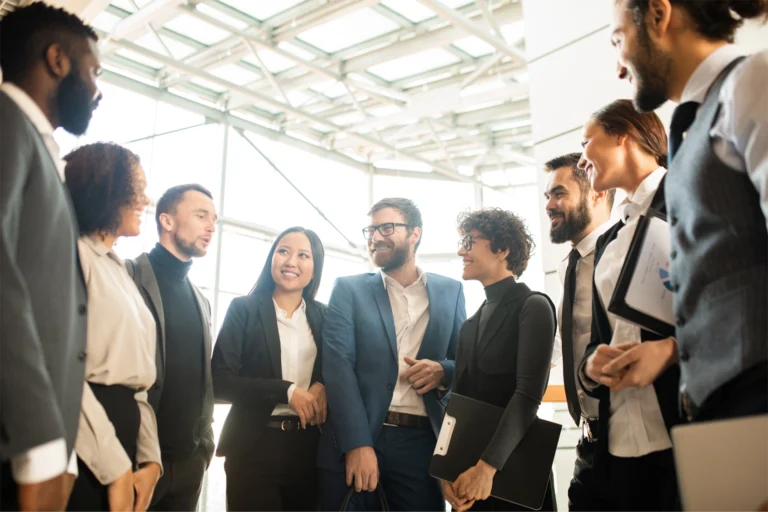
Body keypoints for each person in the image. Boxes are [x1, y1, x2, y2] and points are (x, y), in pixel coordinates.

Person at [599, 0, 768, 423]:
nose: (619, 68)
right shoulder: (694, 124)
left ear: (659, 15)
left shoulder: (752, 82)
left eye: (619, 40)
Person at [0, 3, 100, 510]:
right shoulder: (6, 124)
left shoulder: (35, 144)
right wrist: (39, 436)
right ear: (57, 59)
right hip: (19, 437)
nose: (98, 90)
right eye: (94, 71)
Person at [318, 198, 466, 512]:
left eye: (386, 228)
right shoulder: (348, 289)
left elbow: (463, 362)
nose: (375, 237)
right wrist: (358, 443)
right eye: (370, 230)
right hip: (362, 434)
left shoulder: (451, 291)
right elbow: (338, 367)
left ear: (415, 233)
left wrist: (443, 370)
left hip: (422, 443)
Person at [577, 99, 681, 512]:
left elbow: (733, 309)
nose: (581, 160)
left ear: (622, 134)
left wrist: (671, 350)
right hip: (620, 441)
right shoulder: (609, 238)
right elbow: (600, 337)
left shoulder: (689, 198)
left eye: (586, 142)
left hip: (681, 424)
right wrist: (591, 367)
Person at [63, 143, 162, 512]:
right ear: (105, 188)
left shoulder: (118, 268)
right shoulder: (74, 255)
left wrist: (150, 460)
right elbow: (63, 374)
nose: (145, 199)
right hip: (86, 442)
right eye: (137, 188)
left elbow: (139, 381)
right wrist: (115, 466)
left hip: (123, 436)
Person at [443, 208, 557, 512]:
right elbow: (458, 404)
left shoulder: (533, 307)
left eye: (469, 242)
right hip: (467, 478)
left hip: (511, 474)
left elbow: (528, 397)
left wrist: (487, 468)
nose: (461, 251)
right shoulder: (470, 325)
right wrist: (444, 470)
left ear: (502, 249)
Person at [212, 227, 327, 512]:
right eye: (283, 251)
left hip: (309, 448)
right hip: (254, 446)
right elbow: (220, 381)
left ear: (315, 269)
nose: (291, 261)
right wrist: (285, 391)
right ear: (271, 258)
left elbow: (337, 367)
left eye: (303, 255)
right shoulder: (244, 309)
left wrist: (323, 384)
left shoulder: (324, 316)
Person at [124, 184, 218, 512]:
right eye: (201, 216)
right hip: (136, 462)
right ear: (167, 220)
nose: (211, 227)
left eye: (214, 219)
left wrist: (203, 449)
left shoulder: (201, 300)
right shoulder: (127, 277)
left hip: (189, 465)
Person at [543, 153, 614, 511]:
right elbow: (566, 341)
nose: (549, 205)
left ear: (597, 193)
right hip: (588, 443)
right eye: (547, 196)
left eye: (559, 193)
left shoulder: (620, 252)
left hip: (630, 440)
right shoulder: (567, 267)